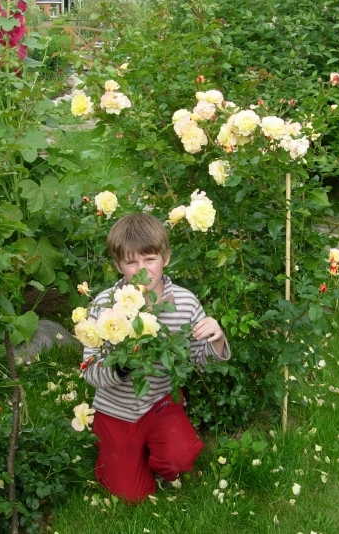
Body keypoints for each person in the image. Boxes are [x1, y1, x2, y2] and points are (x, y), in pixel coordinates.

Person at [80, 212, 231, 503]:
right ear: (117, 265)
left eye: (150, 259)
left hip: (161, 405)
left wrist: (218, 339)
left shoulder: (184, 303)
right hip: (117, 410)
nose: (142, 270)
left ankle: (159, 455)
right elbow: (89, 371)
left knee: (180, 458)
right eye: (131, 262)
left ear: (166, 257)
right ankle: (118, 458)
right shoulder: (103, 305)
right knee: (131, 494)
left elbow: (202, 360)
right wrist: (122, 366)